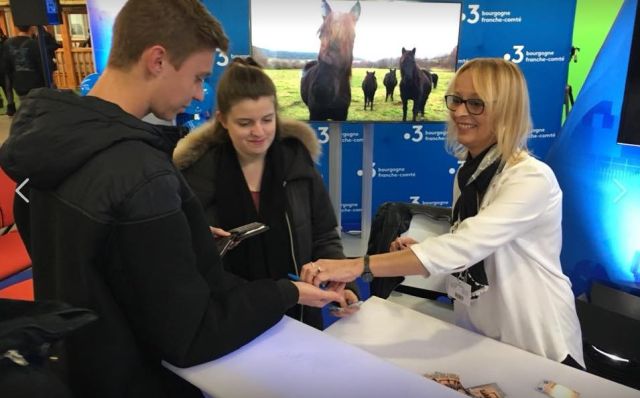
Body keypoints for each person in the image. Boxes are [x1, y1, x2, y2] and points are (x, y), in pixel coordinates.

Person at [0, 1, 342, 397]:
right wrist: (288, 292)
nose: (199, 95)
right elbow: (192, 335)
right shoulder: (143, 176)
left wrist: (184, 240)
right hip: (139, 377)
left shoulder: (45, 144)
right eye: (197, 77)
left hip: (80, 362)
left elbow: (92, 258)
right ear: (158, 60)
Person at [301, 58, 585, 369]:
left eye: (476, 103)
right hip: (480, 333)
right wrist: (421, 251)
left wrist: (357, 266)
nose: (460, 112)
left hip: (537, 341)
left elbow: (465, 246)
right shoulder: (468, 172)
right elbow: (467, 243)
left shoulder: (530, 178)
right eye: (457, 100)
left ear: (506, 110)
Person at [174, 57, 359, 329]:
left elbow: (324, 235)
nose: (258, 132)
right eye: (245, 122)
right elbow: (188, 260)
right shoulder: (197, 174)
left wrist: (340, 284)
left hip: (301, 316)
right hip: (228, 322)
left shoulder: (296, 160)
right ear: (223, 120)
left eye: (267, 119)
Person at [2, 25, 45, 103]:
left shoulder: (8, 44)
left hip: (19, 83)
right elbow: (42, 66)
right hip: (36, 83)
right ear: (31, 28)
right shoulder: (35, 44)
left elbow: (7, 68)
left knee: (26, 107)